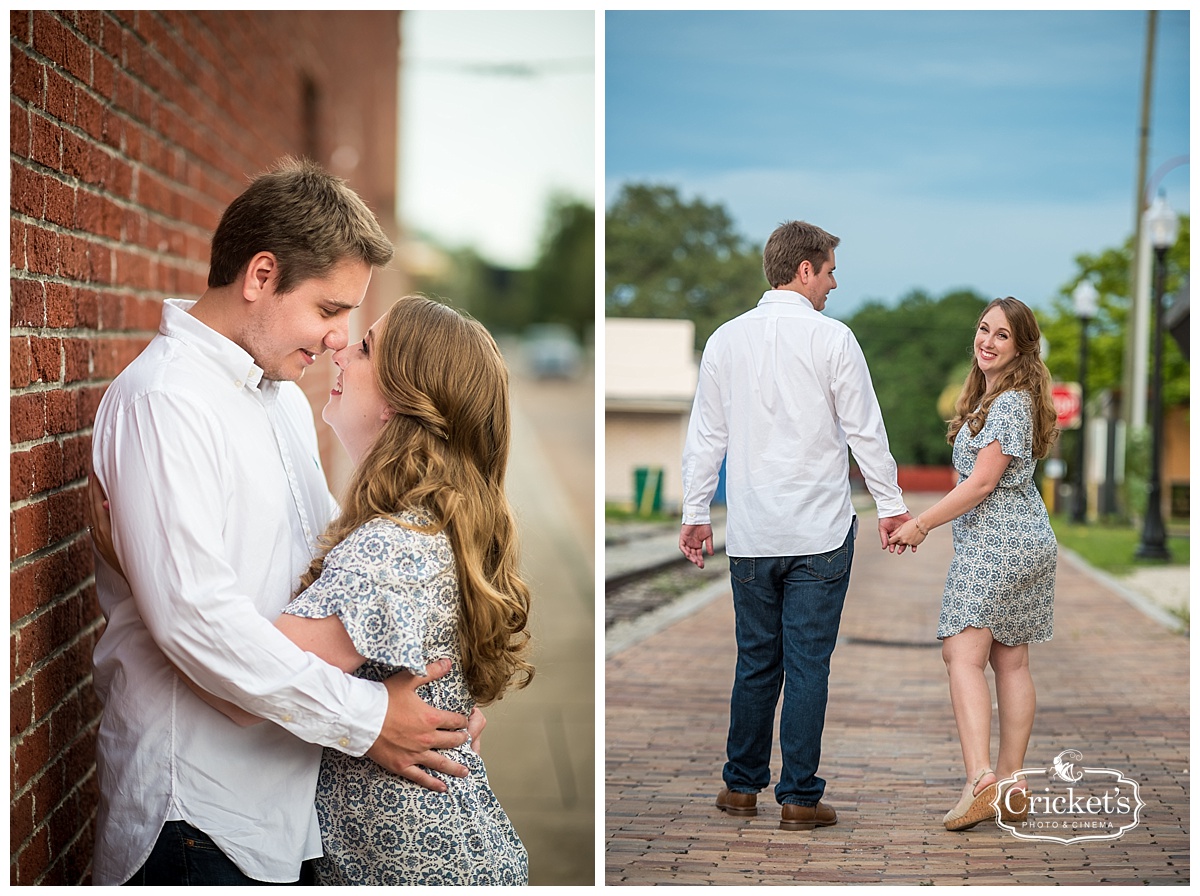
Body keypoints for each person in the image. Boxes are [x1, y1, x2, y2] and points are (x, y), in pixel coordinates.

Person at [89, 158, 479, 885]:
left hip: (285, 813)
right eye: (330, 311)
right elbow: (197, 623)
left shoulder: (281, 402)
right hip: (198, 815)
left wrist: (437, 706)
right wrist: (370, 722)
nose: (339, 338)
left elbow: (345, 570)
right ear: (261, 276)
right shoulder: (166, 401)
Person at [679, 220, 912, 831]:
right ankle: (800, 799)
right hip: (819, 533)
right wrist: (890, 504)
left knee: (756, 661)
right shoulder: (834, 340)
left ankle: (739, 787)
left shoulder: (725, 341)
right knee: (808, 664)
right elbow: (866, 430)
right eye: (830, 270)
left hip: (753, 534)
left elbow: (707, 435)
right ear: (804, 269)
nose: (835, 283)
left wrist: (694, 512)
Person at [889, 296, 1058, 831]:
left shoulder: (1008, 404)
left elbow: (981, 484)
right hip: (1026, 540)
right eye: (984, 330)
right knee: (1011, 662)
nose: (987, 341)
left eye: (1002, 335)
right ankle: (1010, 781)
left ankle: (980, 777)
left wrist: (921, 524)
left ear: (1021, 346)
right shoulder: (1004, 399)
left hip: (997, 544)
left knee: (960, 655)